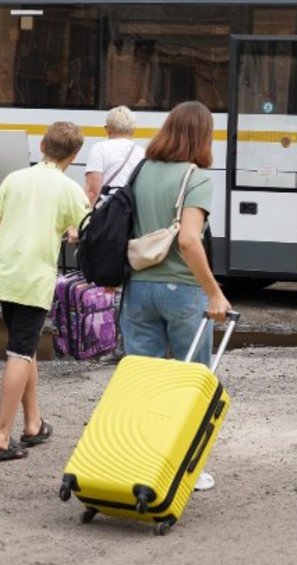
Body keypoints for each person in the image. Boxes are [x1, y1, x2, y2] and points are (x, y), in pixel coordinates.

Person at [0, 121, 89, 461]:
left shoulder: (15, 179)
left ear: (42, 146)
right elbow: (88, 232)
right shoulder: (70, 189)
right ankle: (0, 435)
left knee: (25, 347)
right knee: (18, 352)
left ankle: (33, 424)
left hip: (5, 275)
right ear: (74, 156)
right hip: (33, 279)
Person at [121, 100, 231, 490]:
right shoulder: (196, 177)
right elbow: (188, 239)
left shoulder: (141, 171)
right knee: (189, 383)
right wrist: (214, 293)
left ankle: (139, 461)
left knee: (142, 381)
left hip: (138, 288)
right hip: (183, 292)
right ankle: (187, 469)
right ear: (202, 135)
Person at [84, 105, 143, 206]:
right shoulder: (142, 153)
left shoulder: (99, 149)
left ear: (108, 129)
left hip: (106, 212)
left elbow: (93, 191)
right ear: (133, 130)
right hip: (130, 212)